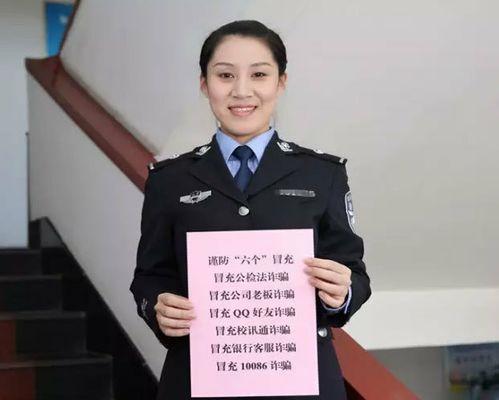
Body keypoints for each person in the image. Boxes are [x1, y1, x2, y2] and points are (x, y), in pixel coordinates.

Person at [130, 19, 371, 400]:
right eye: (225, 75)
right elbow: (149, 277)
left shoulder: (322, 174)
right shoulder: (169, 180)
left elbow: (355, 275)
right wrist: (157, 306)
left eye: (259, 74)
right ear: (204, 84)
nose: (242, 91)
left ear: (281, 82)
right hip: (198, 381)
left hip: (302, 385)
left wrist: (343, 291)